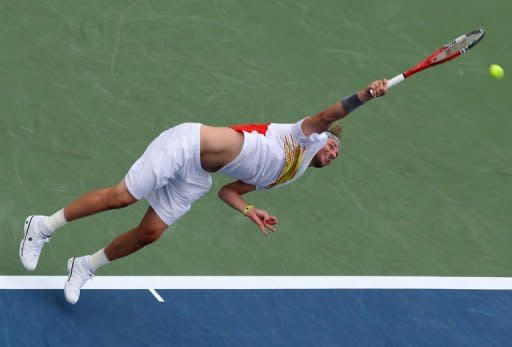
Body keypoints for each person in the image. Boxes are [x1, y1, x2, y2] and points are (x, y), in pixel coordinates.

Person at [19, 79, 388, 304]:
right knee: (121, 197)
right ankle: (43, 226)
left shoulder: (289, 174)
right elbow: (334, 111)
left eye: (336, 155)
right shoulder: (304, 134)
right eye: (333, 146)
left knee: (150, 233)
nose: (332, 152)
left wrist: (249, 210)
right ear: (322, 138)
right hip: (186, 144)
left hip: (198, 175)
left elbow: (228, 192)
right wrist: (367, 95)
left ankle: (85, 266)